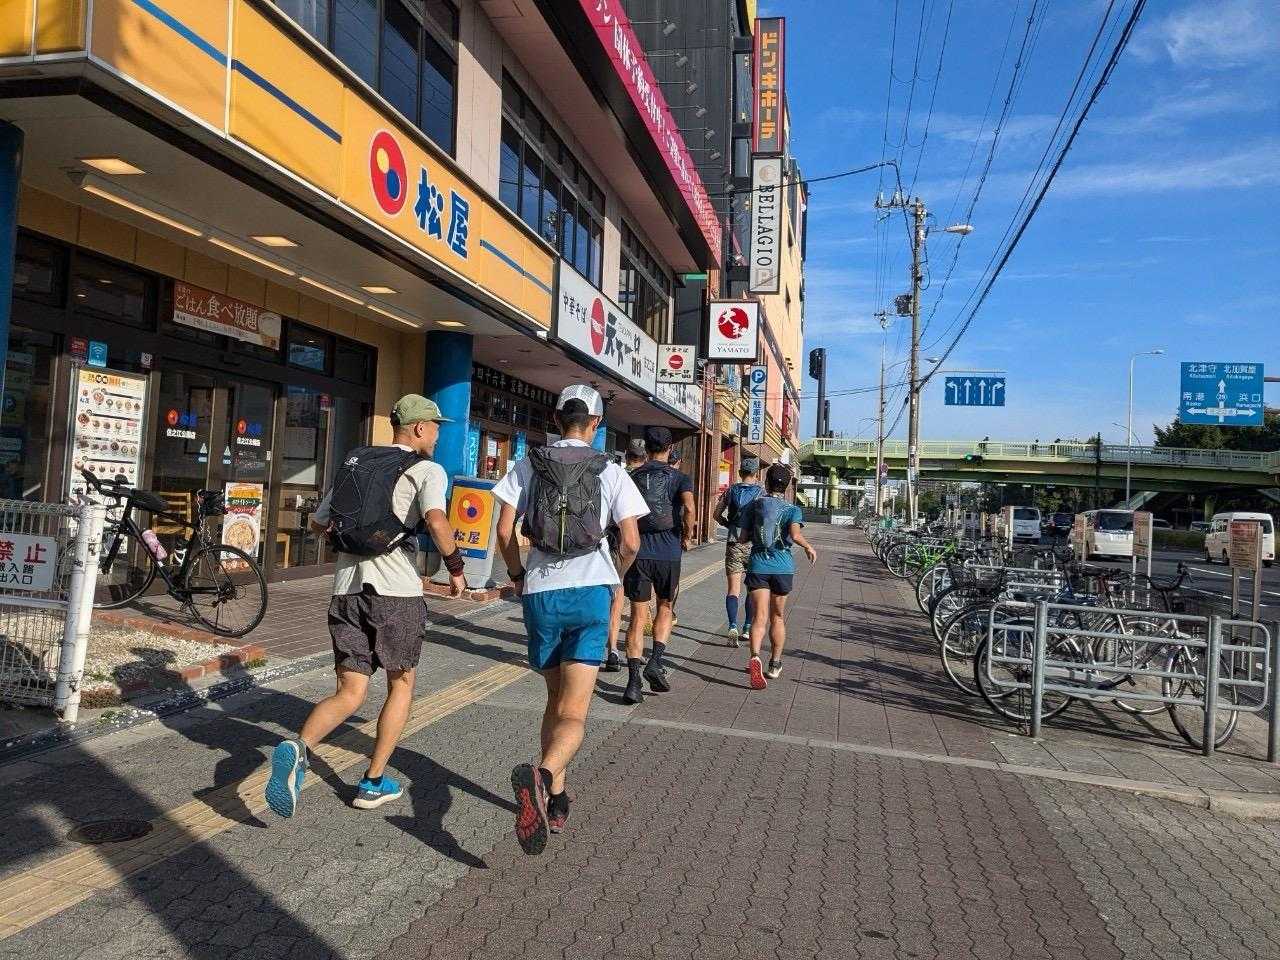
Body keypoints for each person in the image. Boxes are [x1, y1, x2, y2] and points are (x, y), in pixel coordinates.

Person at [263, 395, 467, 818]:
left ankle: (299, 746)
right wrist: (455, 568)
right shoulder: (427, 470)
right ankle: (372, 783)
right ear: (418, 428)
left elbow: (319, 522)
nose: (437, 434)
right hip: (396, 593)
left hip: (346, 590)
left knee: (350, 692)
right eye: (435, 426)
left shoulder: (355, 464)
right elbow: (436, 520)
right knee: (401, 685)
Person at [494, 385, 646, 855]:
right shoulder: (610, 469)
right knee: (575, 711)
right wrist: (614, 575)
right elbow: (631, 541)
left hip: (541, 591)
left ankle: (556, 797)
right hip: (590, 591)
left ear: (557, 419)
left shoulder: (528, 464)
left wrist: (517, 575)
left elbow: (503, 530)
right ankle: (543, 777)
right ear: (596, 424)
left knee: (553, 699)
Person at [622, 426, 695, 704]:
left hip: (639, 553)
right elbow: (690, 509)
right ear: (670, 448)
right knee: (665, 605)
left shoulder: (632, 476)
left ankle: (633, 683)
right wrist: (686, 536)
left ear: (647, 448)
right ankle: (655, 660)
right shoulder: (680, 478)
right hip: (668, 553)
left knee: (637, 616)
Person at [741, 463, 817, 689]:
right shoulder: (793, 509)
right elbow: (795, 534)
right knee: (778, 617)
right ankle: (774, 664)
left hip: (758, 566)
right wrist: (808, 547)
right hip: (782, 568)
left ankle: (755, 656)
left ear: (766, 482)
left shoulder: (754, 505)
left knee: (759, 617)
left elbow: (743, 537)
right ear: (786, 487)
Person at [603, 439, 649, 672]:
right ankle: (635, 650)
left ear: (627, 456)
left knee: (616, 595)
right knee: (639, 602)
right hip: (641, 545)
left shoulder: (616, 474)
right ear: (645, 457)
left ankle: (612, 648)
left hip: (613, 542)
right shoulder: (648, 478)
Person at [713, 458, 763, 646]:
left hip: (733, 542)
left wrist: (729, 525)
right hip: (753, 544)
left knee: (733, 589)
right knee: (752, 589)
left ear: (740, 473)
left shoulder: (730, 491)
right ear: (756, 474)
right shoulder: (761, 493)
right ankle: (747, 628)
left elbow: (716, 514)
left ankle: (732, 625)